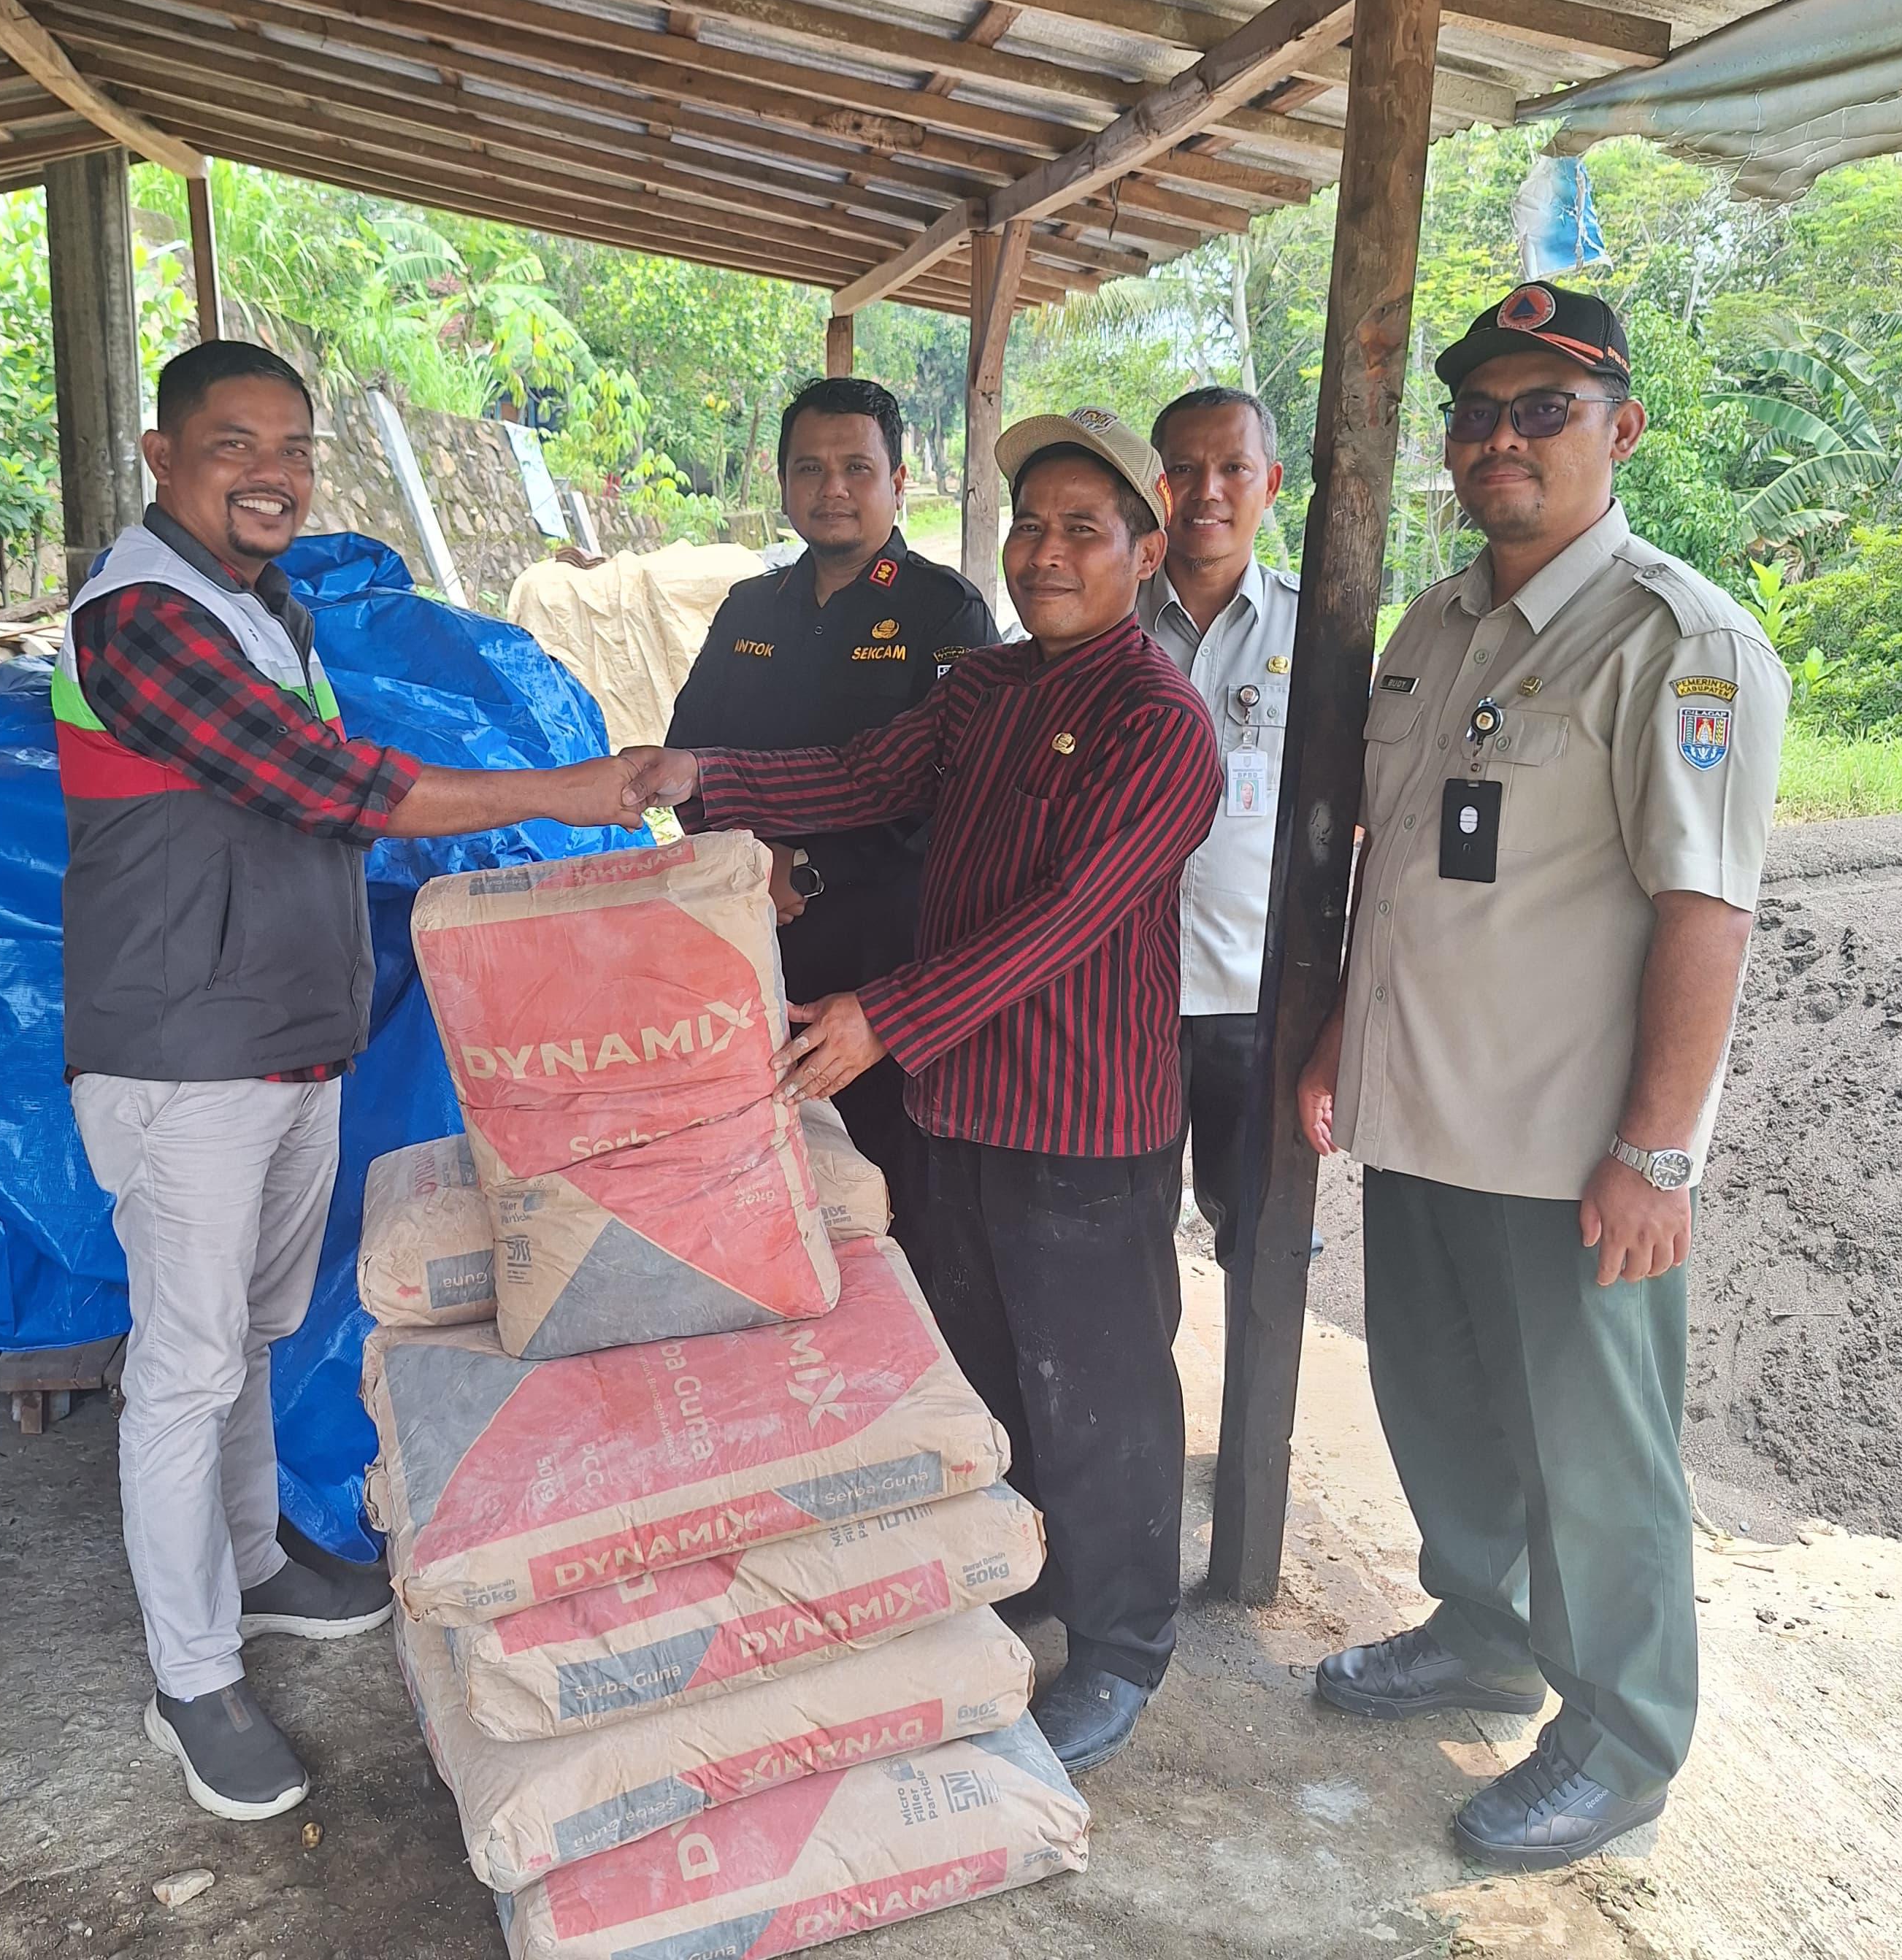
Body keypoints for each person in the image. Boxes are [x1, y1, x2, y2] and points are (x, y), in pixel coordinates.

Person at [54, 340, 653, 1823]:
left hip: (285, 1034)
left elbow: (327, 781)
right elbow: (325, 788)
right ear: (158, 452)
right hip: (184, 1050)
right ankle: (191, 1679)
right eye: (231, 442)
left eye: (293, 447)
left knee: (258, 1324)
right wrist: (564, 793)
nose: (270, 471)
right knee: (186, 1369)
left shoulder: (269, 607)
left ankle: (253, 1563)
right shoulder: (140, 619)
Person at [622, 408, 1221, 1775]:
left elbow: (1069, 916)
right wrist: (703, 772)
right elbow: (855, 774)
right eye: (1033, 525)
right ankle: (1022, 1574)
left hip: (1080, 1117)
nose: (1049, 553)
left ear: (1143, 548)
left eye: (1084, 529)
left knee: (1102, 1387)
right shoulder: (987, 690)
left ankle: (1125, 1644)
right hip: (959, 1102)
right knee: (984, 1366)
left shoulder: (1158, 721)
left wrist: (882, 1018)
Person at [1295, 285, 1789, 1871]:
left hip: (1570, 1146)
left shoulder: (1682, 641)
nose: (1501, 439)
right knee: (1440, 1407)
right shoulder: (1437, 623)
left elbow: (1706, 912)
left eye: (1545, 410)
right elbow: (1406, 868)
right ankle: (1484, 1630)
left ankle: (1623, 1738)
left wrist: (1659, 1158)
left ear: (1620, 431)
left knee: (1596, 1454)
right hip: (1427, 1115)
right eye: (1480, 413)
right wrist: (1335, 1040)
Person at [664, 375, 995, 1242]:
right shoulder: (748, 607)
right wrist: (743, 869)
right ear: (782, 483)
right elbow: (688, 756)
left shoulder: (942, 608)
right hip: (747, 940)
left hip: (882, 958)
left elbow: (950, 789)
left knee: (887, 1184)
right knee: (757, 1170)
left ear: (898, 478)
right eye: (809, 468)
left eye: (857, 466)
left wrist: (808, 868)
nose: (833, 488)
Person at [1140, 387, 1297, 1267]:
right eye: (1184, 469)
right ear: (1153, 486)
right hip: (1127, 999)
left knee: (1262, 1242)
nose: (1208, 490)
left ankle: (1255, 1412)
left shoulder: (1319, 634)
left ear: (1268, 483)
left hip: (1257, 996)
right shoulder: (1099, 623)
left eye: (1232, 467)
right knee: (1125, 1238)